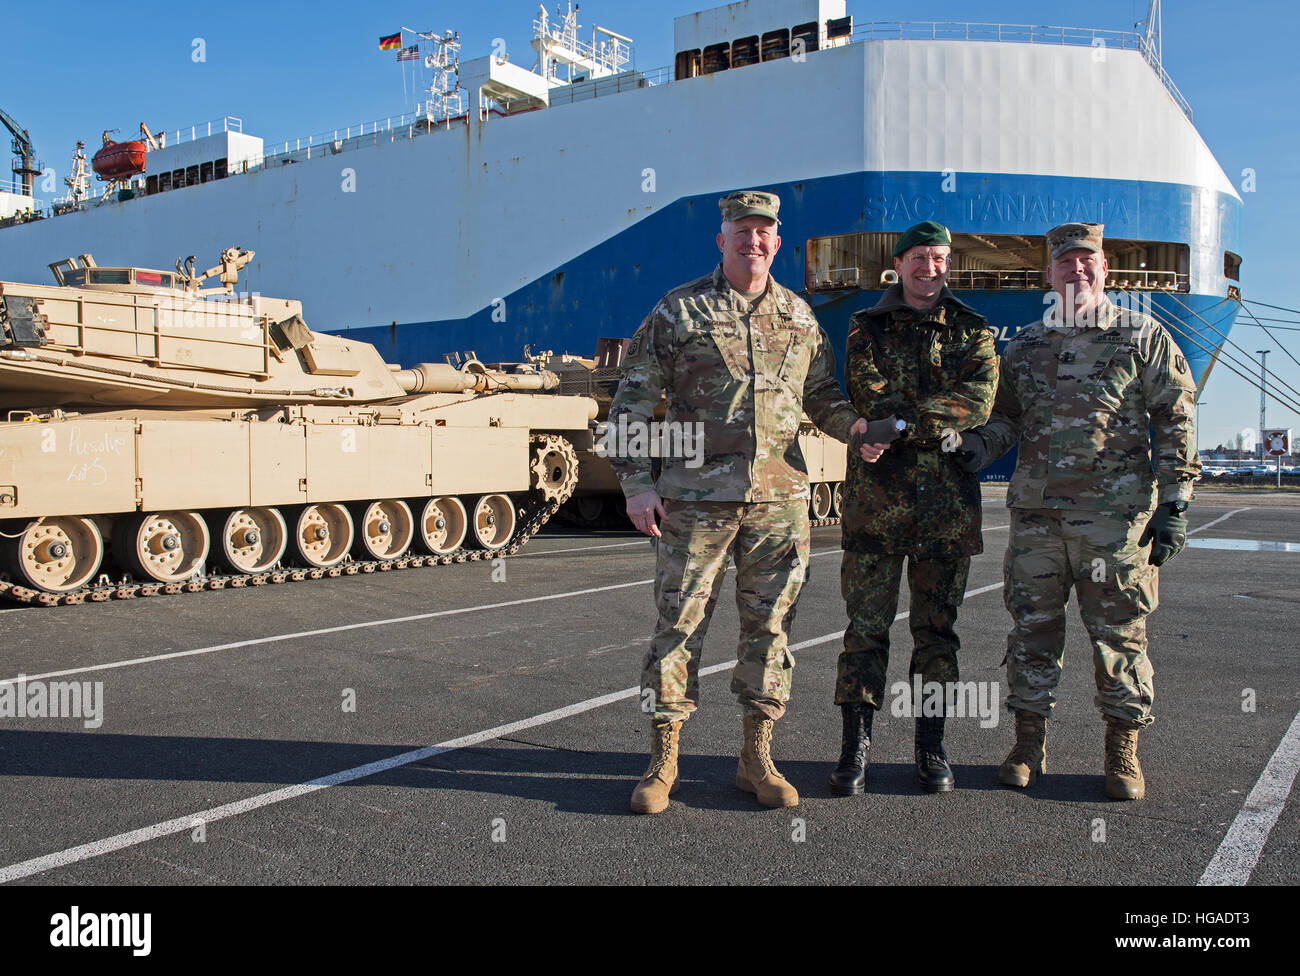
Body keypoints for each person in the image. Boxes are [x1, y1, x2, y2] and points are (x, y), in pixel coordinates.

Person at [607, 189, 882, 814]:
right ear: (721, 238)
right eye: (741, 230)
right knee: (677, 627)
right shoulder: (679, 311)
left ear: (777, 240)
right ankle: (663, 759)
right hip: (694, 504)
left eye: (764, 231)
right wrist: (637, 483)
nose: (753, 241)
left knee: (771, 629)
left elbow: (822, 398)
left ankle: (756, 757)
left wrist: (858, 431)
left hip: (778, 503)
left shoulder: (799, 316)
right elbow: (631, 402)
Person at [961, 221, 1199, 800]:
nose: (1077, 270)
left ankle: (1122, 752)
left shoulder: (1141, 336)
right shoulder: (1026, 345)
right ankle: (1027, 743)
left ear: (1105, 269)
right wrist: (975, 447)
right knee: (1032, 633)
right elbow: (1007, 419)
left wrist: (1176, 501)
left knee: (1118, 635)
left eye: (1087, 260)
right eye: (1065, 262)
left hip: (1113, 521)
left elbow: (1175, 417)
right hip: (1038, 519)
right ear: (1049, 274)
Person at [831, 220, 998, 796]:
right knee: (865, 631)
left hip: (946, 509)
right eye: (919, 258)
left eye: (939, 257)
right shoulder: (865, 327)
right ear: (898, 265)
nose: (930, 267)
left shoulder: (973, 329)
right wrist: (912, 420)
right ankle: (855, 749)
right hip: (876, 506)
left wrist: (898, 426)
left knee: (937, 633)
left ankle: (931, 747)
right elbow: (866, 392)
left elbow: (977, 401)